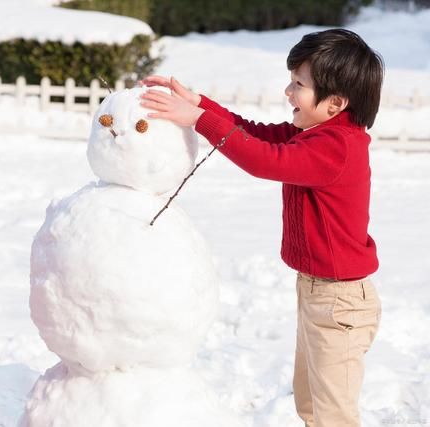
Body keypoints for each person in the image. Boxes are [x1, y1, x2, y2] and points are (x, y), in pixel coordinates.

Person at [140, 28, 383, 427]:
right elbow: (253, 132)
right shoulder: (316, 133)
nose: (288, 92)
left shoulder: (336, 147)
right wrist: (199, 103)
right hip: (319, 294)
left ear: (336, 102)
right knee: (311, 406)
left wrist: (199, 121)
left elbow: (263, 160)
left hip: (340, 303)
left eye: (299, 85)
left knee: (333, 417)